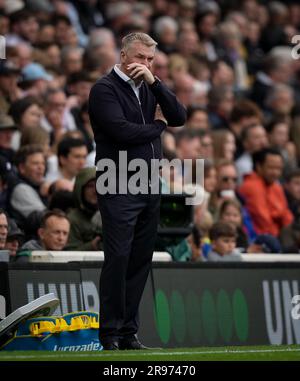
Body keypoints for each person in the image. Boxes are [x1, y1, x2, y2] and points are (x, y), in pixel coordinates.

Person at [88, 32, 186, 350]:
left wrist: (155, 82)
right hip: (116, 182)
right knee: (117, 257)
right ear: (123, 56)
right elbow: (120, 131)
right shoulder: (104, 89)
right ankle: (109, 333)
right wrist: (158, 127)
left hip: (148, 183)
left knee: (140, 259)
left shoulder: (148, 87)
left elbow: (180, 117)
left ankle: (128, 332)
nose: (145, 64)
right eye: (140, 57)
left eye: (150, 59)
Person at [239, 147, 293, 237]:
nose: (276, 173)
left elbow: (287, 217)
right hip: (261, 241)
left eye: (279, 168)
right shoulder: (252, 187)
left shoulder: (276, 187)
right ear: (258, 167)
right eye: (271, 168)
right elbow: (263, 222)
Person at [66, 167, 103, 251]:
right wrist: (92, 246)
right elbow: (69, 255)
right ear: (80, 190)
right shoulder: (72, 219)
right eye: (90, 186)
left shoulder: (112, 215)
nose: (95, 191)